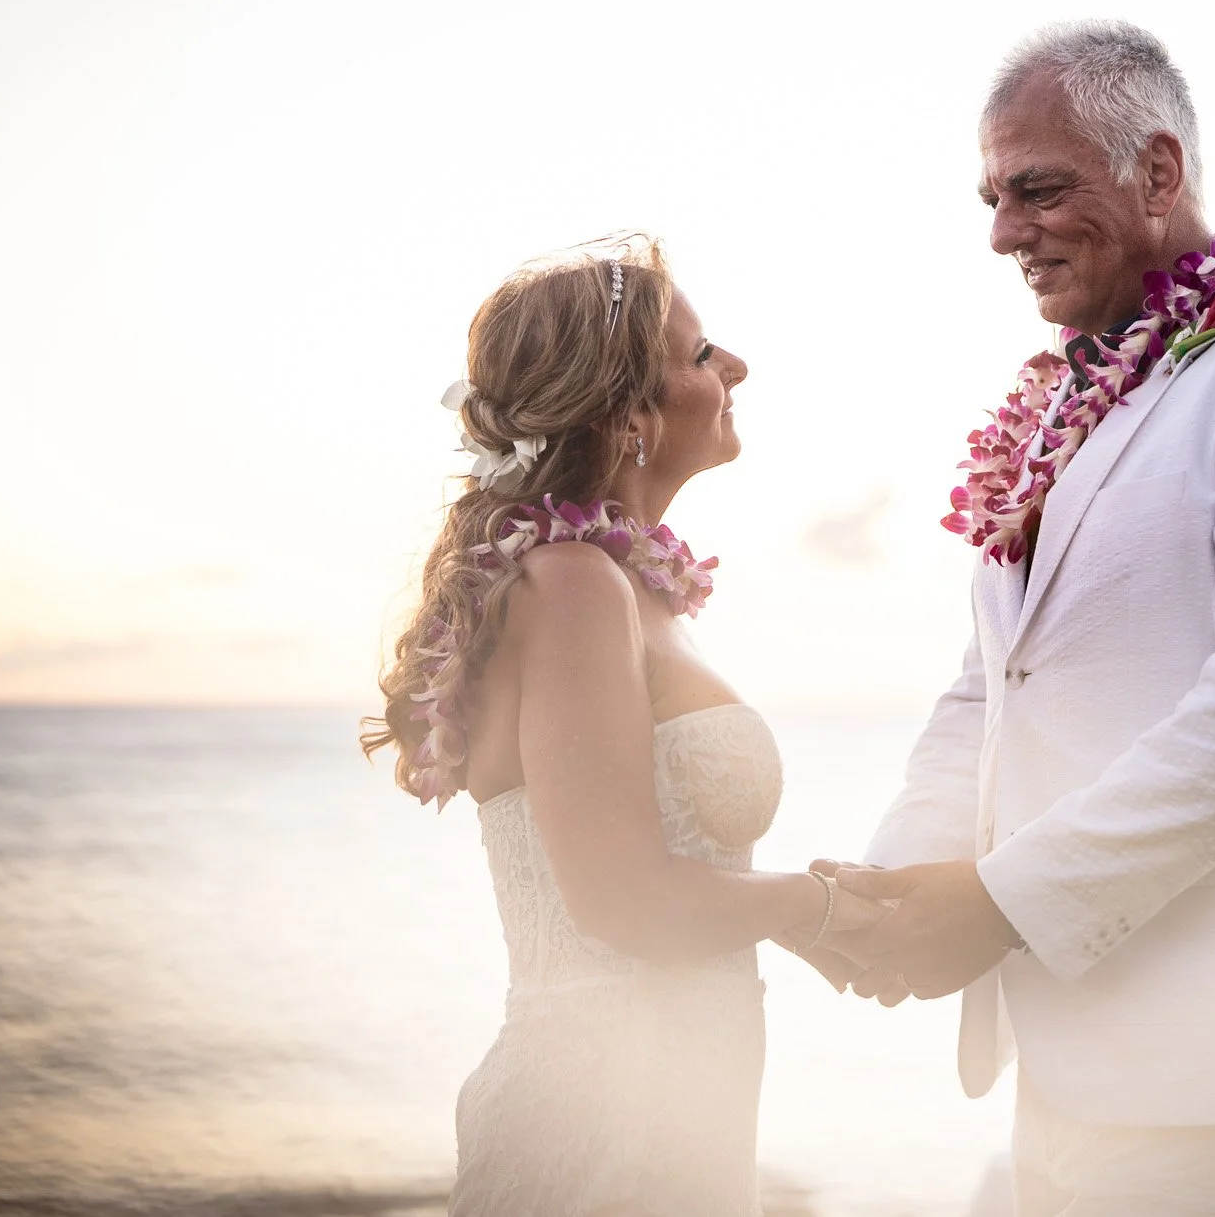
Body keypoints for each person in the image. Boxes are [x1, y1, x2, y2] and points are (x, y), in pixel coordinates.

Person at [821, 21, 1215, 1216]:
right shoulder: (1070, 400)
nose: (1002, 233)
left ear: (1156, 171)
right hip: (1063, 1016)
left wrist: (996, 903)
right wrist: (895, 887)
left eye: (1036, 189)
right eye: (992, 198)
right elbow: (995, 684)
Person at [363, 237, 883, 1217]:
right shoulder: (570, 586)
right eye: (699, 355)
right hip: (601, 1115)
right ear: (625, 416)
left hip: (681, 1102)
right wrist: (812, 910)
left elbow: (670, 877)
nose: (733, 368)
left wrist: (795, 909)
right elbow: (620, 900)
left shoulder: (619, 587)